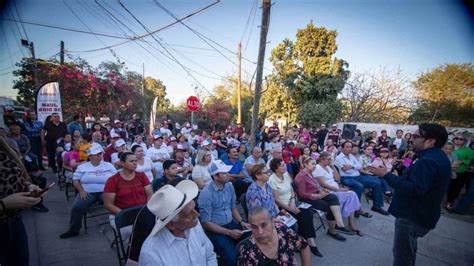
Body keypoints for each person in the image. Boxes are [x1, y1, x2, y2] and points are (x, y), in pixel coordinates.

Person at [369, 123, 451, 266]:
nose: (411, 139)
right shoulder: (430, 157)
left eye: (416, 136)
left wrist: (387, 175)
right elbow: (413, 178)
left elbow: (414, 189)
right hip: (418, 213)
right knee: (409, 249)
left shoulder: (428, 161)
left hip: (412, 216)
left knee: (402, 256)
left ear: (430, 141)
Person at [139, 180, 217, 265]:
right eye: (188, 214)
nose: (197, 215)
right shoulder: (152, 255)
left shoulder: (194, 224)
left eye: (194, 209)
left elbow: (210, 255)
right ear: (171, 224)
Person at [197, 160, 251, 266]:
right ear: (216, 176)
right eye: (224, 173)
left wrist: (241, 222)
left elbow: (233, 207)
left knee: (251, 241)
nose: (228, 175)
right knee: (232, 259)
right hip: (216, 229)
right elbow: (206, 223)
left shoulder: (229, 186)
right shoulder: (206, 193)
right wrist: (229, 233)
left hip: (231, 224)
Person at [0, 136, 43, 266]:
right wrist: (3, 204)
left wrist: (27, 186)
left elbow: (15, 175)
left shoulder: (5, 147)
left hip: (13, 221)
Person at [60, 144, 117, 238]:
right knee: (77, 207)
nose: (99, 156)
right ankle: (74, 230)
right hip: (87, 192)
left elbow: (116, 178)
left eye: (100, 154)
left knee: (118, 202)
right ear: (89, 156)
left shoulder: (109, 165)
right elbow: (75, 180)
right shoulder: (83, 167)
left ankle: (120, 224)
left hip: (106, 191)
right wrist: (81, 191)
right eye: (96, 154)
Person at [267, 159, 323, 257]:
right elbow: (276, 200)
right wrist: (290, 208)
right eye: (282, 165)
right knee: (300, 215)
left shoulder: (286, 174)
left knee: (308, 212)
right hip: (282, 207)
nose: (285, 166)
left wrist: (293, 200)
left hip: (293, 201)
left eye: (285, 164)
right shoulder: (272, 180)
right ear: (276, 169)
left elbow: (292, 189)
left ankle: (310, 240)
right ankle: (303, 240)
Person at [295, 157, 355, 242]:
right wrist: (319, 196)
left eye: (315, 164)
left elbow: (316, 185)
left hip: (317, 193)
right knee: (329, 206)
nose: (315, 166)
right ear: (305, 164)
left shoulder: (310, 173)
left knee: (333, 197)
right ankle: (333, 231)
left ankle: (339, 223)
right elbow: (302, 194)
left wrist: (322, 190)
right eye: (312, 164)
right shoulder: (301, 176)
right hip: (308, 199)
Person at [103, 152, 153, 243]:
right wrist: (125, 214)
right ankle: (134, 252)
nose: (135, 163)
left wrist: (147, 210)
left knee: (157, 228)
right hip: (122, 214)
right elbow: (108, 204)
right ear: (122, 163)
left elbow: (150, 194)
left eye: (135, 161)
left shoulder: (141, 176)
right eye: (131, 161)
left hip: (142, 212)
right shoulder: (113, 180)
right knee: (136, 233)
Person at [237, 207, 311, 266]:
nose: (260, 232)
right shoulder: (247, 252)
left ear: (272, 222)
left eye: (264, 225)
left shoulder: (282, 230)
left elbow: (303, 245)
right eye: (254, 227)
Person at [335, 141, 389, 215]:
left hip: (358, 176)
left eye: (351, 147)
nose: (350, 149)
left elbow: (359, 166)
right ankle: (356, 208)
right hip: (346, 178)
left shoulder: (351, 156)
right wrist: (354, 167)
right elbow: (346, 170)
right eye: (347, 147)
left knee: (377, 182)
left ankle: (377, 206)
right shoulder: (338, 158)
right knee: (359, 186)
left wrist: (352, 166)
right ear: (342, 148)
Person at [313, 152, 361, 235]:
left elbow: (338, 179)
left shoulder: (328, 166)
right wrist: (338, 190)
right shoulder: (317, 168)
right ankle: (344, 224)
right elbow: (323, 184)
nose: (330, 160)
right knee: (351, 196)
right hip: (328, 191)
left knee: (352, 195)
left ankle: (351, 224)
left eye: (331, 159)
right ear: (321, 159)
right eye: (329, 159)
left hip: (336, 189)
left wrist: (332, 166)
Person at [446, 134, 474, 210]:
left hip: (461, 172)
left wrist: (462, 161)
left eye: (461, 139)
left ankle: (450, 202)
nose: (458, 140)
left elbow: (470, 159)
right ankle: (448, 199)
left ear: (464, 141)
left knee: (456, 188)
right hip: (448, 170)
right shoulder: (449, 147)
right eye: (456, 138)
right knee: (448, 187)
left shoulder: (467, 150)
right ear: (454, 139)